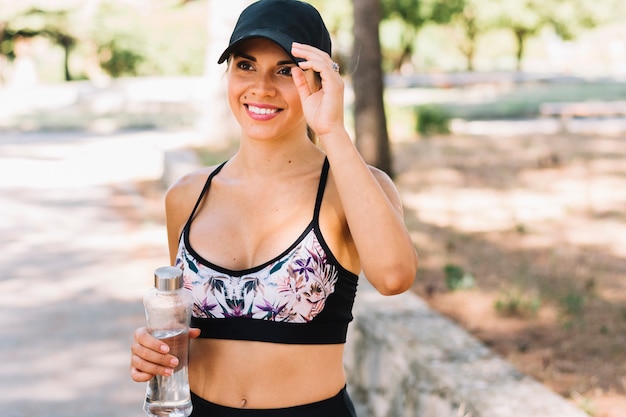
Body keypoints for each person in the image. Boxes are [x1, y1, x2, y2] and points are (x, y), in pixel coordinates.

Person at [130, 0, 419, 415]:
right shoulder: (188, 195)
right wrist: (152, 349)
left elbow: (394, 277)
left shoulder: (353, 188)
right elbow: (183, 327)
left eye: (286, 71)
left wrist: (333, 130)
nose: (261, 87)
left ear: (320, 80)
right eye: (245, 65)